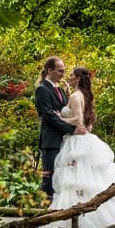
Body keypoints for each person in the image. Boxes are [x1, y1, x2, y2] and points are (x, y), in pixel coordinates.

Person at [41, 66, 115, 228]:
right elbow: (88, 124)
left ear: (79, 79)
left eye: (72, 76)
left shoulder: (76, 96)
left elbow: (78, 121)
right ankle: (83, 215)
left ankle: (74, 217)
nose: (69, 77)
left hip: (76, 142)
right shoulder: (85, 96)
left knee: (76, 180)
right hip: (86, 140)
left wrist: (60, 118)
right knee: (85, 180)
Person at [35, 56, 86, 198]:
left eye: (64, 71)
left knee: (62, 178)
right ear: (50, 70)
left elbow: (64, 112)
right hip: (51, 141)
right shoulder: (42, 89)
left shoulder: (61, 90)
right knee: (49, 177)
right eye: (60, 71)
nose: (63, 74)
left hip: (64, 140)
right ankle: (42, 214)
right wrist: (72, 129)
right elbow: (49, 116)